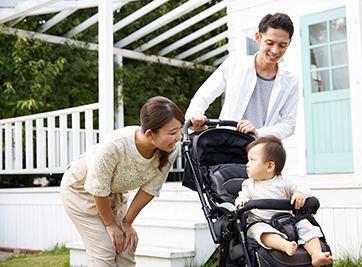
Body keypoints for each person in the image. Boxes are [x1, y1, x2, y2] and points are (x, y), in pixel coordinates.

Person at [60, 96, 185, 266]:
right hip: (81, 189)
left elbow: (149, 189)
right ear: (150, 134)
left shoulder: (170, 148)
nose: (179, 137)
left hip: (112, 193)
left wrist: (127, 223)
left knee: (126, 248)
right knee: (104, 251)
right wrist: (110, 224)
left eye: (180, 129)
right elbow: (98, 189)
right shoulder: (115, 144)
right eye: (172, 132)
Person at [186, 13, 299, 140]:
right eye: (270, 43)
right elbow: (203, 96)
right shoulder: (233, 65)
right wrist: (194, 116)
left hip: (261, 151)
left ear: (289, 43)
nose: (275, 51)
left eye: (282, 45)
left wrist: (257, 132)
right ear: (258, 37)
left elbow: (289, 124)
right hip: (225, 146)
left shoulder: (291, 81)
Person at [235, 136, 334, 267]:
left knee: (308, 227)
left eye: (252, 160)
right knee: (261, 232)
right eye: (248, 160)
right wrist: (242, 201)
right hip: (262, 223)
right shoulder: (248, 184)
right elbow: (240, 197)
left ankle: (316, 254)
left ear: (270, 166)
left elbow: (304, 187)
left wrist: (300, 193)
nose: (247, 164)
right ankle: (284, 245)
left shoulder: (284, 182)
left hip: (287, 222)